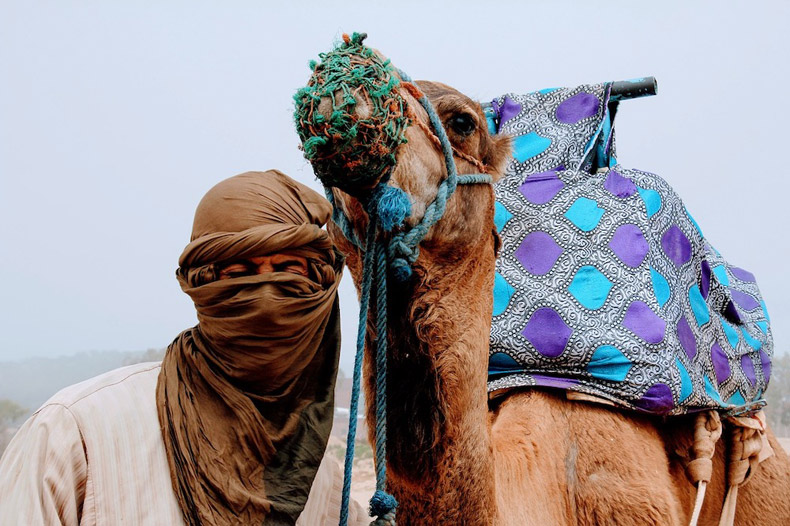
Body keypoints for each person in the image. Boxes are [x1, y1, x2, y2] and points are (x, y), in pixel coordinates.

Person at [0, 170, 368, 525]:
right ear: (201, 286)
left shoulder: (322, 480)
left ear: (321, 286)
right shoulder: (75, 433)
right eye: (238, 275)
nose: (267, 297)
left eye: (289, 271)